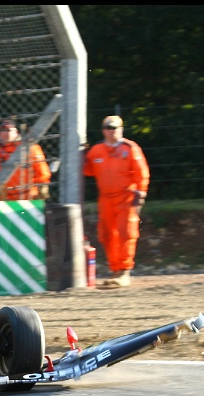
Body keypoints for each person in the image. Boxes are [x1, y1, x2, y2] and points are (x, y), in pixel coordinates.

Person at [83, 115, 150, 287]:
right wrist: (82, 156)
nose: (112, 131)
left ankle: (124, 271)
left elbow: (141, 171)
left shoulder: (130, 148)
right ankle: (115, 270)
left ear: (121, 130)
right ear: (103, 130)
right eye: (109, 128)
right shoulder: (96, 150)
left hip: (126, 197)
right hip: (105, 199)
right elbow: (88, 170)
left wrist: (140, 193)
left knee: (126, 233)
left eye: (115, 128)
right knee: (106, 235)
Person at [0, 118, 52, 200]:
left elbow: (42, 171)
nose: (5, 133)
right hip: (4, 198)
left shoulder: (31, 148)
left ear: (16, 132)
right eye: (2, 130)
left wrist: (42, 186)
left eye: (8, 130)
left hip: (29, 196)